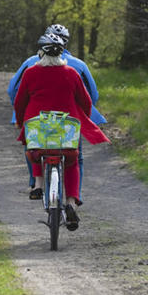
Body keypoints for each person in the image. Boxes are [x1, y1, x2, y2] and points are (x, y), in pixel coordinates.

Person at [14, 33, 110, 231]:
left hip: (38, 130)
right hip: (66, 131)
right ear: (61, 53)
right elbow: (86, 101)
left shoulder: (30, 73)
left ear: (41, 52)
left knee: (35, 150)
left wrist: (21, 120)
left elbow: (19, 101)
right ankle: (72, 203)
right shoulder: (71, 73)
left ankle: (38, 185)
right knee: (71, 162)